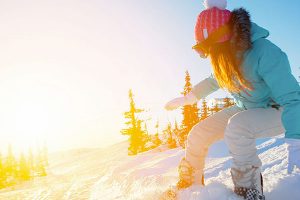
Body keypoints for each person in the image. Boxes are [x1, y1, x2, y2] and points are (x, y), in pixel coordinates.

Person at [164, 0, 300, 199]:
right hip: (245, 107)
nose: (209, 55)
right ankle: (189, 187)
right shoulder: (224, 57)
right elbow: (213, 81)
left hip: (278, 109)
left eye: (210, 48)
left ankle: (248, 191)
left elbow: (292, 98)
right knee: (198, 133)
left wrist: (296, 140)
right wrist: (189, 97)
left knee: (238, 127)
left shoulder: (265, 52)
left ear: (227, 38)